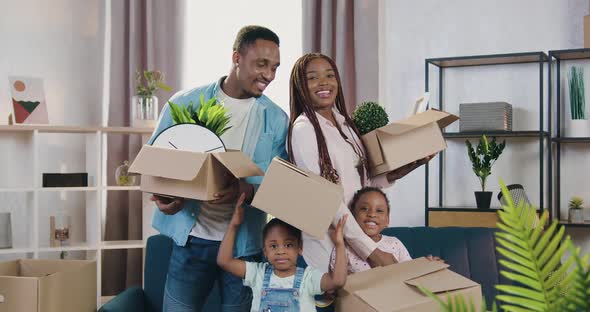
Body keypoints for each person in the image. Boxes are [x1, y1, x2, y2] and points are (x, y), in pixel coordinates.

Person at [148, 25, 288, 311]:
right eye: (261, 64)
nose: (269, 75)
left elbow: (278, 187)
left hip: (244, 247)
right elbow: (154, 165)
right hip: (191, 240)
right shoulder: (185, 103)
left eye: (274, 67)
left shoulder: (276, 119)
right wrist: (164, 196)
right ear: (237, 57)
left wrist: (245, 190)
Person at [288, 52, 433, 275]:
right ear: (300, 86)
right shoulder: (304, 130)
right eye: (312, 78)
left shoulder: (345, 125)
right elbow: (323, 200)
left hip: (358, 237)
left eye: (330, 75)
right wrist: (372, 252)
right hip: (330, 246)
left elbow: (361, 184)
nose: (324, 83)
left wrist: (399, 171)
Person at [217, 194, 348, 312]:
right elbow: (224, 261)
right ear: (265, 251)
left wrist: (339, 244)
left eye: (288, 245)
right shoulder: (257, 273)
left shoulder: (309, 278)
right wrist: (234, 225)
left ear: (300, 248)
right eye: (273, 246)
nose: (280, 251)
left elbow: (337, 281)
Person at [329, 187, 411, 274]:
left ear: (387, 220)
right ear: (352, 215)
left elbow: (410, 272)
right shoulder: (343, 248)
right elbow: (338, 279)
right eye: (364, 208)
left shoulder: (395, 243)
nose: (372, 214)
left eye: (379, 210)